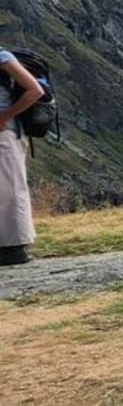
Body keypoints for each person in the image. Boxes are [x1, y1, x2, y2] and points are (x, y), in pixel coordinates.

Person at [0, 46, 43, 266]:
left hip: (6, 133)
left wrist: (4, 117)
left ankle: (17, 248)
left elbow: (35, 90)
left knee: (11, 189)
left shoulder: (2, 57)